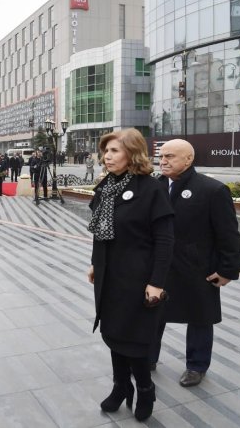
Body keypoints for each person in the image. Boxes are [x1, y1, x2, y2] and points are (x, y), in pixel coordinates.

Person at [86, 128, 174, 422]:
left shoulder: (151, 189)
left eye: (114, 151)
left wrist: (157, 282)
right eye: (106, 151)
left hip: (138, 278)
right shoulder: (106, 187)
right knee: (112, 333)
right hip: (109, 275)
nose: (107, 157)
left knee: (134, 340)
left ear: (132, 154)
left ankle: (145, 389)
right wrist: (95, 263)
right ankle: (121, 386)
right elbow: (100, 235)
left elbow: (165, 240)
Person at [150, 139, 240, 386]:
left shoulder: (212, 190)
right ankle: (148, 357)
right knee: (153, 313)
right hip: (160, 266)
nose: (163, 161)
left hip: (198, 268)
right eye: (162, 156)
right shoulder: (153, 186)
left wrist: (228, 270)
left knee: (200, 317)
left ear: (188, 159)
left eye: (170, 156)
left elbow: (228, 234)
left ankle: (197, 366)